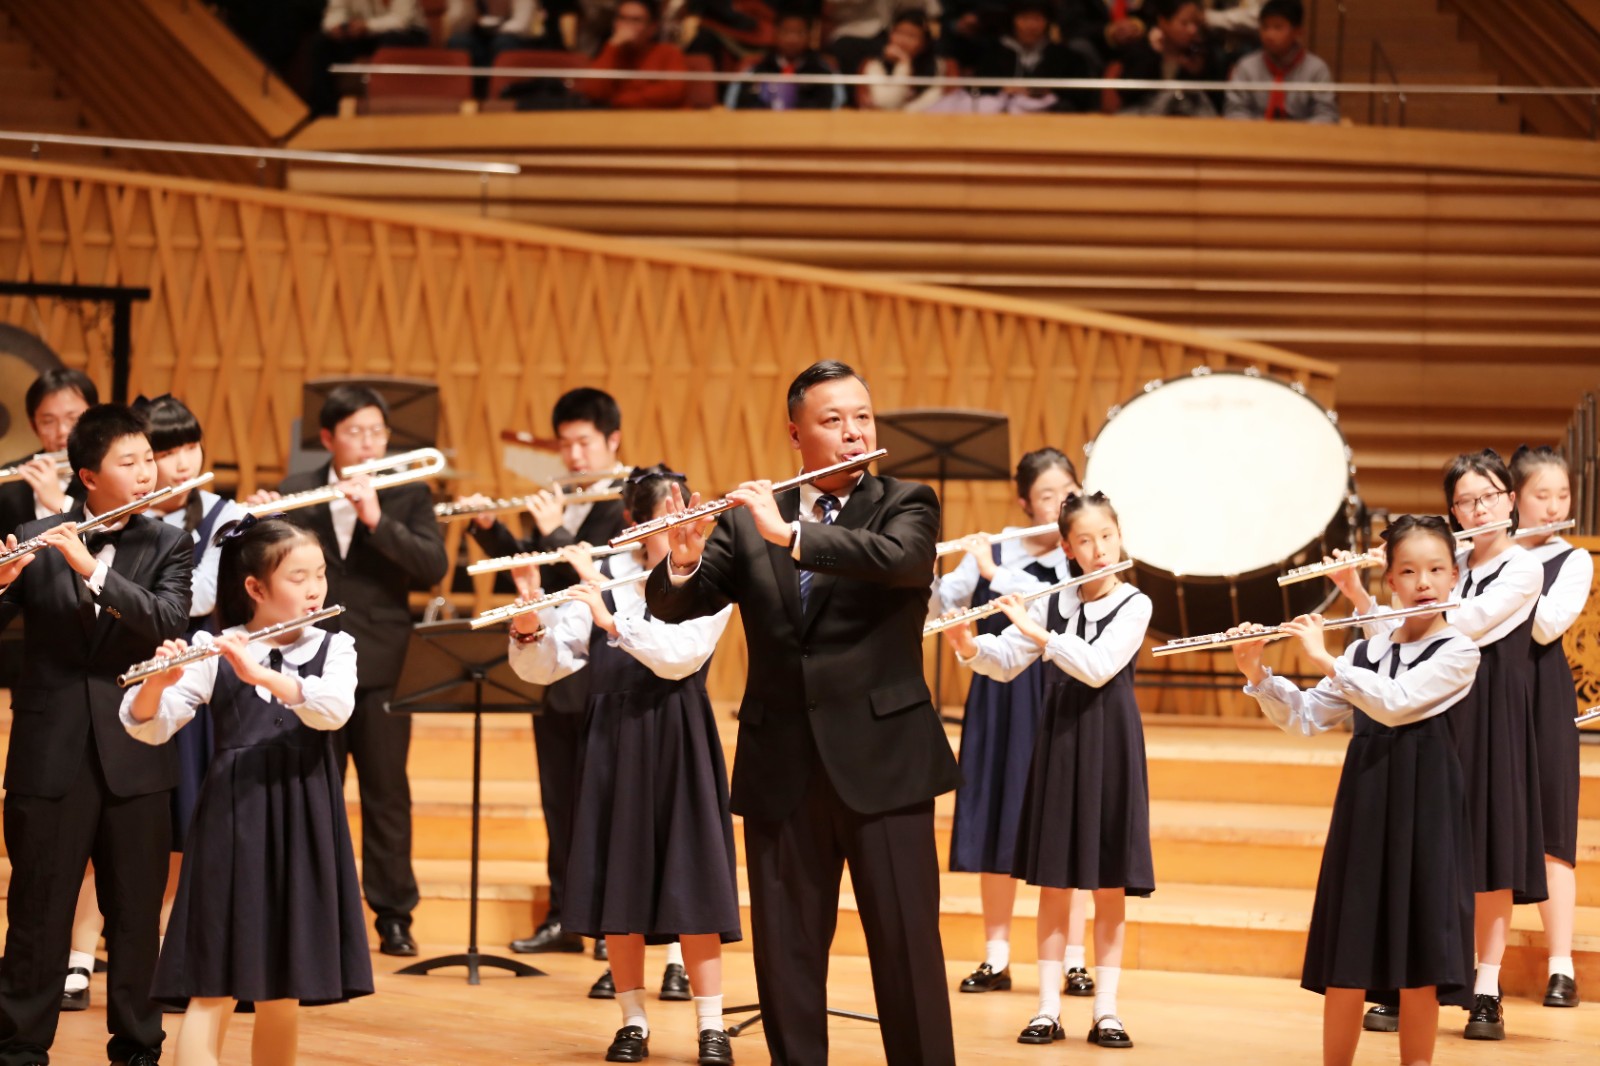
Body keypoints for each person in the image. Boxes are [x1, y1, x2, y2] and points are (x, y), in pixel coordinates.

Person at [646, 361, 959, 1066]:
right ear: (796, 434)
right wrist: (681, 562)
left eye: (862, 418)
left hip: (884, 763)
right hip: (781, 764)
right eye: (833, 420)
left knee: (908, 950)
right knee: (786, 959)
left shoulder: (907, 502)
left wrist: (790, 535)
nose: (853, 433)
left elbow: (901, 561)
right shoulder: (747, 521)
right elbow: (674, 607)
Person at [121, 516, 373, 1066]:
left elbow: (333, 711)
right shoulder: (214, 647)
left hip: (304, 817)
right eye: (298, 577)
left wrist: (262, 676)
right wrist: (155, 685)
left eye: (320, 574)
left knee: (283, 989)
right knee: (212, 982)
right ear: (256, 588)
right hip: (233, 820)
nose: (314, 588)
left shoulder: (336, 647)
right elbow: (149, 726)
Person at [508, 467, 739, 1066]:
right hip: (612, 738)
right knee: (621, 883)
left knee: (692, 881)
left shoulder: (712, 577)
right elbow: (549, 666)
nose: (679, 526)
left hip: (679, 733)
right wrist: (529, 628)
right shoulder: (606, 577)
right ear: (634, 523)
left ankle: (711, 1026)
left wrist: (611, 619)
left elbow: (680, 657)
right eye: (664, 516)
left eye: (685, 513)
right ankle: (632, 1020)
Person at [1231, 515, 1478, 1066]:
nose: (1423, 583)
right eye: (1408, 571)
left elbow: (1396, 703)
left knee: (1420, 959)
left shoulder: (1460, 652)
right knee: (1349, 950)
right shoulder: (1367, 652)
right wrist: (1257, 672)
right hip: (1366, 805)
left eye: (1436, 570)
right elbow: (1306, 716)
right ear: (1390, 581)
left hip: (1427, 812)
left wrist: (1323, 657)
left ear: (1454, 576)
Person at [0, 403, 195, 1066]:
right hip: (49, 752)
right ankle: (20, 1050)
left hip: (135, 751)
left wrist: (91, 568)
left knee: (136, 918)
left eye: (149, 460)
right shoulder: (35, 536)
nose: (147, 473)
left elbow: (165, 619)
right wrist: (1, 582)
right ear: (88, 476)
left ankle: (138, 1050)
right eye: (129, 462)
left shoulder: (168, 543)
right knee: (37, 913)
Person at [1334, 449, 1545, 1041]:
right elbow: (1399, 638)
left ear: (1510, 500)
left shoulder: (1523, 567)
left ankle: (1485, 989)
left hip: (1490, 715)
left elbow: (1454, 626)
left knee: (1491, 851)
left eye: (1489, 496)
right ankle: (1408, 979)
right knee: (1421, 846)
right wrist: (1363, 593)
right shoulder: (1445, 560)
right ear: (1452, 510)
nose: (1478, 510)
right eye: (1464, 501)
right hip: (1429, 712)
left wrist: (1411, 580)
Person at [247, 384, 449, 958]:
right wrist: (261, 524)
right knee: (316, 788)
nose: (368, 443)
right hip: (309, 661)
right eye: (355, 432)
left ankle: (394, 915)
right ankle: (313, 910)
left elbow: (433, 566)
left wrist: (376, 518)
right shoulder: (299, 488)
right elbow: (264, 567)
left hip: (383, 662)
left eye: (377, 432)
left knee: (387, 792)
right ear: (328, 438)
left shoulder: (408, 492)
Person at [947, 491, 1153, 1049]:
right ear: (1068, 548)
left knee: (1109, 884)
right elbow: (1007, 661)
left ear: (1119, 536)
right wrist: (968, 646)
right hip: (1059, 743)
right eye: (1085, 540)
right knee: (1055, 882)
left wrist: (1040, 635)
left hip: (1111, 747)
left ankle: (1106, 1011)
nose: (1099, 549)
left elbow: (1098, 667)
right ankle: (1046, 1009)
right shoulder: (1054, 600)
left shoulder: (1135, 604)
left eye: (1107, 536)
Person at [460, 388, 634, 966]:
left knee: (606, 806)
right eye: (566, 444)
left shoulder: (630, 499)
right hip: (556, 674)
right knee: (559, 804)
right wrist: (489, 528)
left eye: (585, 442)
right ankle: (564, 914)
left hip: (607, 676)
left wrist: (557, 531)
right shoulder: (561, 497)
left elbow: (601, 580)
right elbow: (537, 575)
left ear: (613, 440)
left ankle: (612, 923)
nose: (574, 455)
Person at [932, 449, 1087, 997]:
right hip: (1000, 695)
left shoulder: (1081, 551)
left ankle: (1073, 959)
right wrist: (923, 570)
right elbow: (939, 605)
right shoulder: (991, 547)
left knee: (1064, 824)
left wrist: (996, 573)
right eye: (1047, 496)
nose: (1060, 504)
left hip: (1060, 690)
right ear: (1024, 503)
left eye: (1068, 492)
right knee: (996, 816)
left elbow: (1063, 604)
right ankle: (996, 956)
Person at [129, 393, 248, 936]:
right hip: (127, 669)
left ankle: (169, 938)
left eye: (191, 447)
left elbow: (199, 598)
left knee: (184, 816)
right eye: (166, 452)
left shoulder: (228, 516)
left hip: (188, 674)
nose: (182, 463)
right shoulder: (122, 517)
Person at [1509, 445, 1592, 1009]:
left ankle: (1561, 967)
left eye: (1563, 495)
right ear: (1515, 498)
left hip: (1545, 697)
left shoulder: (1573, 560)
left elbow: (1545, 628)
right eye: (1543, 495)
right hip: (1490, 693)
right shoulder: (1480, 557)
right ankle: (1475, 968)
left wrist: (1509, 569)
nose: (1555, 505)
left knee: (1553, 832)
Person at [0, 367, 95, 536]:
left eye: (73, 418)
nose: (62, 431)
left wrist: (61, 503)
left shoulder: (108, 473)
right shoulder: (10, 485)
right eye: (48, 421)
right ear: (34, 425)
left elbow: (115, 538)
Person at [308, 0, 431, 116]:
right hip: (361, 34)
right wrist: (336, 26)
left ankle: (388, 109)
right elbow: (335, 11)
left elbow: (401, 20)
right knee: (321, 44)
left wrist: (367, 26)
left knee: (390, 40)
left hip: (406, 32)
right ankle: (326, 111)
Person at [971, 0, 1096, 112]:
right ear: (1012, 20)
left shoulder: (1066, 57)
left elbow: (1080, 99)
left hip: (1051, 122)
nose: (1031, 26)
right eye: (1024, 18)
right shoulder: (994, 54)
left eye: (1037, 18)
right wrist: (1003, 90)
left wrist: (1047, 93)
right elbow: (977, 92)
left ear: (1047, 22)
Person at [1223, 0, 1336, 123]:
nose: (1269, 34)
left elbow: (1326, 115)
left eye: (1278, 27)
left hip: (1303, 133)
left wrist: (1297, 132)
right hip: (1254, 132)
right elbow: (1235, 111)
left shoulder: (1317, 69)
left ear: (1298, 31)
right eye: (1265, 27)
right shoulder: (1246, 66)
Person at [1106, 0, 1222, 116]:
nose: (1192, 30)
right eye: (1184, 23)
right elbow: (1127, 95)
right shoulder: (1142, 50)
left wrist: (1196, 72)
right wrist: (1155, 57)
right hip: (1144, 118)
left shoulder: (1203, 53)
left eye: (1197, 24)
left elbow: (1216, 100)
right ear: (1163, 22)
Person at [575, 0, 690, 109]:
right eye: (622, 18)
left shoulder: (669, 52)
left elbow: (672, 93)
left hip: (664, 119)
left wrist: (618, 100)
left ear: (652, 27)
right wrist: (612, 45)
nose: (627, 26)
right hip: (618, 119)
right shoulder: (611, 53)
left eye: (636, 20)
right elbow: (593, 91)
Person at [726, 8, 847, 110]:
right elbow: (735, 103)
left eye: (799, 33)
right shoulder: (758, 66)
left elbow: (834, 104)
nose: (792, 40)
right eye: (786, 32)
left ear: (810, 36)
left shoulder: (821, 68)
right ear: (775, 34)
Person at [857, 9, 946, 111]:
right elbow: (886, 103)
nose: (902, 41)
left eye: (911, 36)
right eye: (898, 33)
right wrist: (904, 64)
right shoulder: (873, 64)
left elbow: (932, 104)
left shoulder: (939, 67)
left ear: (925, 43)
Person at [446, 0, 559, 69]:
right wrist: (467, 5)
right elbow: (458, 28)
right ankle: (469, 93)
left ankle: (500, 91)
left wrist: (495, 29)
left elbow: (522, 25)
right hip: (481, 36)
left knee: (503, 43)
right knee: (458, 42)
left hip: (518, 37)